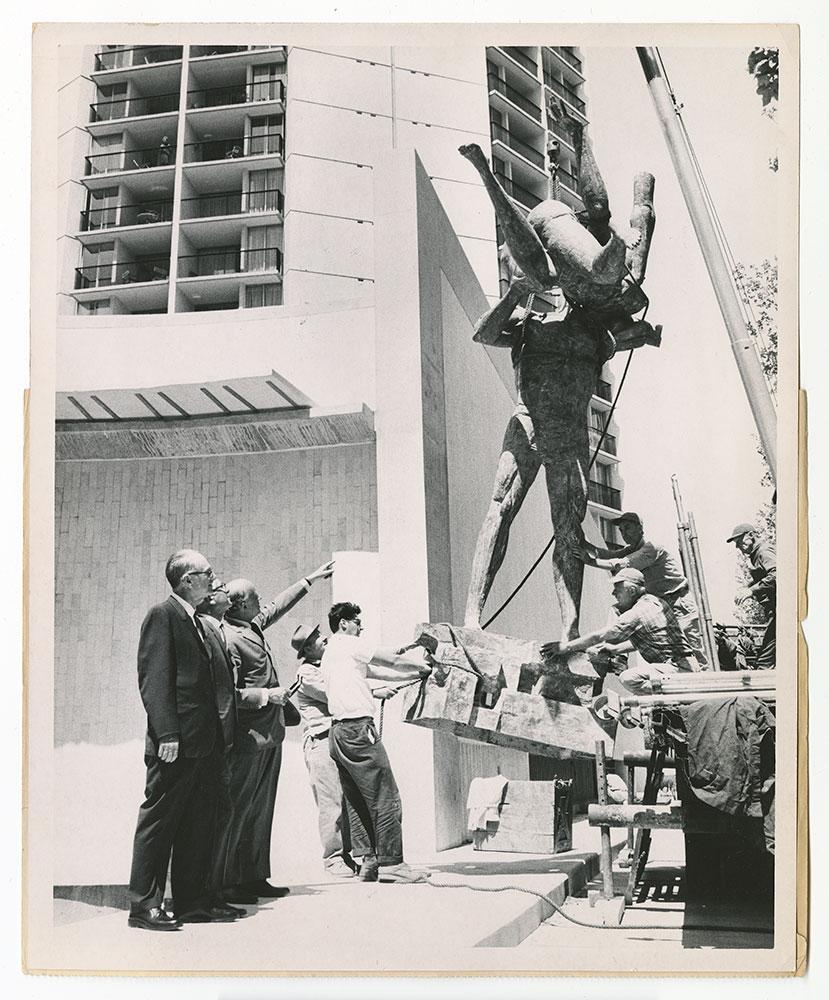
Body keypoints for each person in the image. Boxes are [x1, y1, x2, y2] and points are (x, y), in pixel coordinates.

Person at [459, 121, 660, 637]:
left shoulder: (595, 333)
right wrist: (514, 294)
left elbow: (630, 330)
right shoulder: (533, 323)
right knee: (499, 512)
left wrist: (646, 332)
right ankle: (472, 619)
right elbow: (485, 333)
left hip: (569, 437)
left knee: (566, 533)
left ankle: (569, 629)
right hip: (528, 426)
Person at [127, 550, 240, 930]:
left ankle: (193, 903)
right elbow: (154, 679)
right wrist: (168, 733)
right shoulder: (163, 615)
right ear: (188, 579)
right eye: (208, 573)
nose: (213, 578)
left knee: (197, 825)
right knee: (159, 823)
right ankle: (144, 907)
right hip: (175, 744)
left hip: (203, 745)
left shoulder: (196, 620)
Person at [220, 561, 335, 904]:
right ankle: (228, 881)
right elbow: (227, 694)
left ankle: (254, 876)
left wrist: (309, 580)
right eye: (256, 599)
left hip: (271, 735)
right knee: (239, 810)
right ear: (240, 605)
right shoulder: (229, 639)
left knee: (260, 810)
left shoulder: (250, 624)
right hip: (249, 739)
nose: (262, 603)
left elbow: (277, 607)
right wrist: (268, 696)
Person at [320, 602, 436, 883]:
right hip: (359, 731)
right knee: (385, 795)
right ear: (343, 623)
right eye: (357, 621)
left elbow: (378, 672)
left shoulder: (331, 653)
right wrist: (423, 666)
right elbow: (390, 660)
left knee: (357, 800)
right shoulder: (348, 644)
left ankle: (370, 861)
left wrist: (415, 673)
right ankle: (392, 863)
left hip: (338, 734)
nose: (361, 626)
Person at [541, 568, 701, 695]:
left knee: (628, 678)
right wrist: (616, 649)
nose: (613, 594)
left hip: (679, 669)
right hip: (680, 666)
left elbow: (600, 635)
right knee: (615, 610)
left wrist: (566, 647)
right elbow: (650, 639)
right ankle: (620, 659)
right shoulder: (653, 601)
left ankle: (667, 698)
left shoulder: (638, 613)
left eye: (617, 590)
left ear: (632, 591)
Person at [578, 510, 706, 663]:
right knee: (617, 610)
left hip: (679, 603)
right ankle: (618, 658)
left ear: (640, 528)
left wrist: (590, 561)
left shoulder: (652, 548)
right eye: (621, 530)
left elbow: (623, 563)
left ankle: (706, 682)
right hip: (657, 605)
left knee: (693, 652)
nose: (624, 533)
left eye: (628, 528)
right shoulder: (631, 549)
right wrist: (583, 543)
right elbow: (607, 555)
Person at [292, 623, 356, 878]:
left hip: (338, 739)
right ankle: (333, 859)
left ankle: (348, 856)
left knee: (346, 800)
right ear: (308, 648)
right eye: (319, 638)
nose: (325, 639)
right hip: (320, 743)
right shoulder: (306, 673)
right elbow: (336, 694)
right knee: (331, 804)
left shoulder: (328, 667)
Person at [727, 523, 776, 669]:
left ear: (751, 535)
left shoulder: (764, 551)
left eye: (739, 541)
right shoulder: (758, 554)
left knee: (764, 661)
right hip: (775, 609)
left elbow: (777, 574)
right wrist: (750, 586)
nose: (737, 547)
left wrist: (751, 591)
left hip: (781, 610)